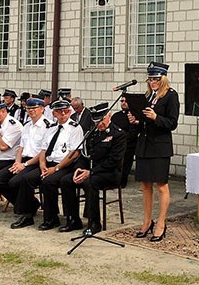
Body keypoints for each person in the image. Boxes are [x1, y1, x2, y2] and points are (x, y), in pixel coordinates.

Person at [126, 62, 179, 242]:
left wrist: (156, 117)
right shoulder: (148, 97)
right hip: (144, 145)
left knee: (161, 185)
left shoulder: (171, 96)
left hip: (160, 146)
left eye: (156, 79)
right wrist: (137, 121)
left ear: (163, 79)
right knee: (145, 185)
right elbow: (144, 121)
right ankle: (147, 221)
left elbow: (172, 123)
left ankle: (161, 223)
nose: (152, 82)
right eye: (150, 79)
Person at [60, 103, 126, 235]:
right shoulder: (92, 134)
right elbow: (85, 155)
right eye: (96, 121)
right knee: (66, 180)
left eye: (101, 120)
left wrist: (90, 172)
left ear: (109, 116)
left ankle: (94, 222)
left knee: (89, 183)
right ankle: (73, 219)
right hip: (91, 171)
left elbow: (113, 161)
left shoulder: (118, 134)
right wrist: (79, 169)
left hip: (109, 173)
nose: (99, 124)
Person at [0, 98, 53, 228]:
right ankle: (31, 204)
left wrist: (24, 165)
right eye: (29, 109)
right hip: (24, 160)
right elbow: (21, 148)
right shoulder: (27, 125)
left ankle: (26, 215)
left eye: (34, 108)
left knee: (19, 181)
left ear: (42, 109)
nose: (31, 111)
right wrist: (17, 162)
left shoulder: (48, 126)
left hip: (38, 162)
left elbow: (44, 152)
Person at [32, 99, 84, 231]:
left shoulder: (75, 128)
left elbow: (74, 153)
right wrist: (42, 165)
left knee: (50, 182)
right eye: (59, 112)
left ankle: (68, 218)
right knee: (30, 178)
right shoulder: (51, 128)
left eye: (66, 111)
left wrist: (55, 168)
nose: (63, 114)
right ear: (54, 114)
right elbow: (43, 150)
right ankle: (39, 214)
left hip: (66, 165)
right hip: (49, 163)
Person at [111, 95, 140, 189]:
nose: (123, 103)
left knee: (125, 163)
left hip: (128, 145)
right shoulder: (116, 116)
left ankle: (122, 181)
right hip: (115, 143)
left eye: (125, 101)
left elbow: (133, 132)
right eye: (122, 101)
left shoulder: (134, 116)